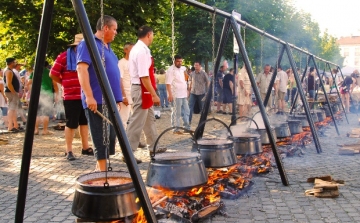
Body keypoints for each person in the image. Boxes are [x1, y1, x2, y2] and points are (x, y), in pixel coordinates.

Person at [76, 15, 123, 171]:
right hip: (97, 98)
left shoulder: (109, 49)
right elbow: (82, 69)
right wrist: (89, 96)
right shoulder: (88, 44)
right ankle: (102, 172)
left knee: (110, 136)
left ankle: (100, 169)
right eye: (114, 29)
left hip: (110, 100)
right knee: (100, 136)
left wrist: (118, 97)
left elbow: (114, 73)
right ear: (105, 28)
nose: (116, 32)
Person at [50, 33, 93, 161]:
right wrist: (64, 82)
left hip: (85, 94)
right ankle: (68, 150)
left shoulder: (88, 56)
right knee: (71, 123)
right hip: (70, 95)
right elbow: (53, 74)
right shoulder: (63, 57)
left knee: (84, 122)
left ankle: (85, 147)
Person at [127, 25, 167, 164]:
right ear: (149, 34)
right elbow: (144, 77)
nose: (153, 37)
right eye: (153, 35)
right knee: (137, 121)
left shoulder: (139, 49)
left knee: (150, 120)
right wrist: (154, 94)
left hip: (143, 89)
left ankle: (153, 147)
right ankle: (129, 152)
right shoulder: (141, 51)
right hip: (142, 89)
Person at [117, 42, 147, 149]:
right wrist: (123, 95)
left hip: (134, 93)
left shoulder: (134, 62)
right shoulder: (121, 63)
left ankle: (135, 140)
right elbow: (119, 79)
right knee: (124, 119)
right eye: (131, 49)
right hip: (126, 93)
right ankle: (121, 142)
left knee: (137, 119)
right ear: (125, 50)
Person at [28, 61, 58, 135]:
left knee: (37, 113)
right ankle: (45, 130)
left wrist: (31, 92)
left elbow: (28, 84)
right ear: (47, 66)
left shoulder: (34, 72)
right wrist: (56, 94)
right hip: (48, 94)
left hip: (37, 94)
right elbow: (55, 85)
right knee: (46, 113)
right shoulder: (50, 72)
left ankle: (36, 130)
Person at [165, 54, 191, 134]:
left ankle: (187, 127)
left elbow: (186, 78)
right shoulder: (170, 70)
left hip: (183, 94)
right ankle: (175, 129)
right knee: (177, 112)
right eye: (178, 61)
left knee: (186, 111)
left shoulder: (183, 69)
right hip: (175, 94)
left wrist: (188, 88)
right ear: (174, 61)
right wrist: (170, 94)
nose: (179, 63)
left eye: (181, 61)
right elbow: (168, 83)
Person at [3, 58, 21, 132]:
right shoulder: (8, 71)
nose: (15, 63)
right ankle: (10, 126)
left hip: (11, 92)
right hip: (11, 92)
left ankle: (15, 125)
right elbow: (8, 83)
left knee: (14, 109)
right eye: (14, 62)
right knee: (12, 108)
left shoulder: (8, 70)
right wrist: (13, 92)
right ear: (11, 63)